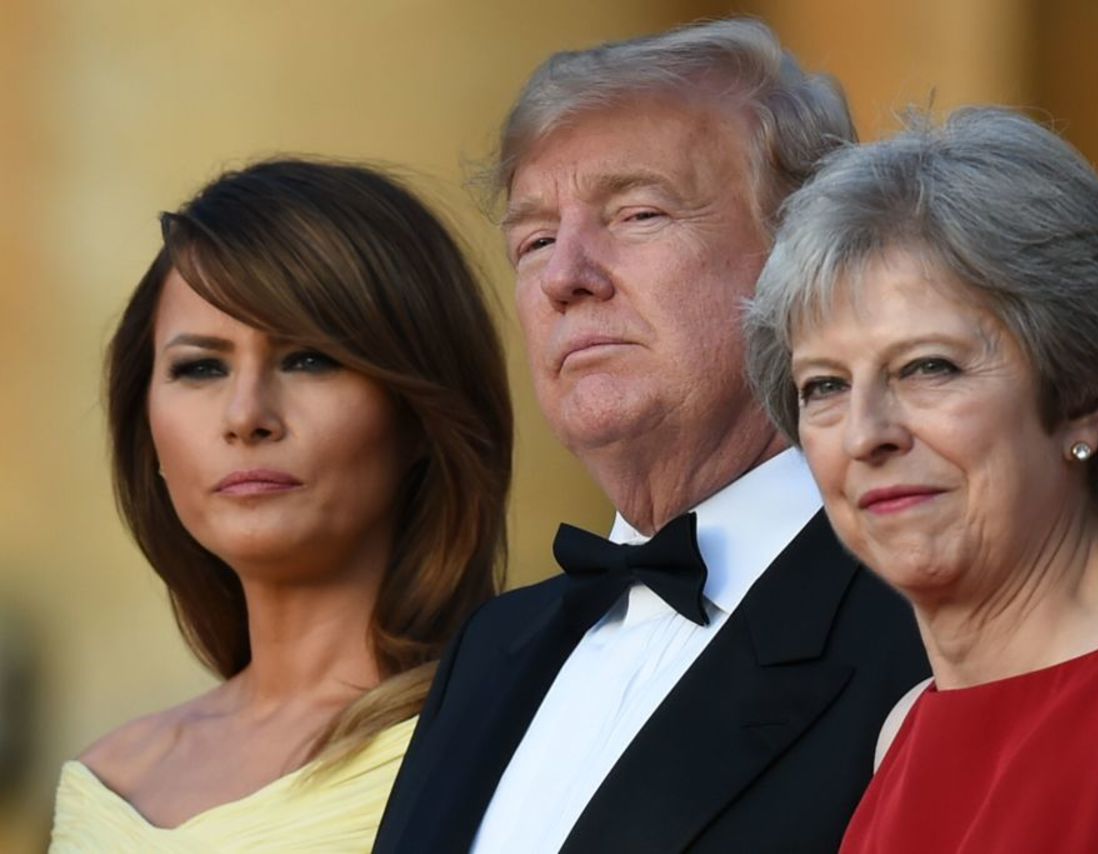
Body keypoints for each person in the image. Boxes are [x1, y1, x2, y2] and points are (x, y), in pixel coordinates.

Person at [375, 19, 928, 854]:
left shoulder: (926, 621)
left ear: (808, 263)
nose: (565, 277)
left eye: (636, 214)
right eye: (533, 240)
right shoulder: (491, 649)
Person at [745, 106, 1098, 853]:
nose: (866, 435)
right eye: (824, 387)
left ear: (1084, 396)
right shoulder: (905, 727)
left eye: (928, 367)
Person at [49, 159, 513, 851]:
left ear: (420, 414)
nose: (246, 416)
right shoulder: (105, 778)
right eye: (201, 367)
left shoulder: (515, 739)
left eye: (309, 359)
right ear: (145, 431)